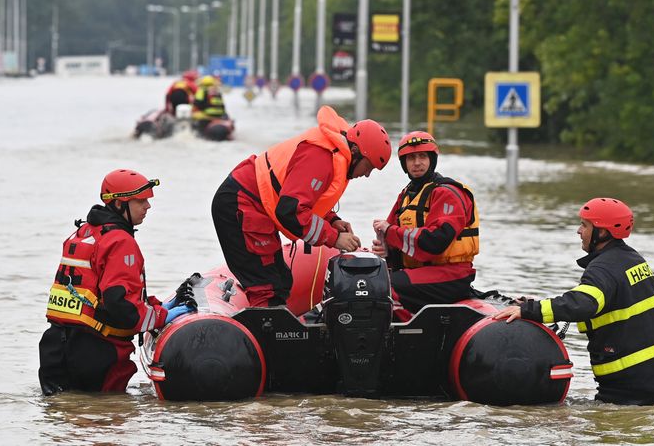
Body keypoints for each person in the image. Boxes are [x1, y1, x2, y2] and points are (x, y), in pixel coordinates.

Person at [492, 197, 654, 406]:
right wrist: (538, 303)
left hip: (631, 387)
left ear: (602, 232)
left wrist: (530, 310)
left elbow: (583, 303)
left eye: (584, 225)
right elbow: (596, 299)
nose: (578, 231)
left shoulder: (603, 268)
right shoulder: (632, 259)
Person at [211, 105, 392, 307]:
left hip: (254, 204)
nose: (366, 175)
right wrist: (335, 238)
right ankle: (263, 335)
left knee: (280, 281)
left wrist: (332, 221)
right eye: (368, 167)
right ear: (356, 151)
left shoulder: (333, 154)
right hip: (241, 203)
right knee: (267, 288)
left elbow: (304, 200)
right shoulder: (321, 157)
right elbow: (290, 211)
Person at [38, 169, 194, 395]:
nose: (148, 206)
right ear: (120, 204)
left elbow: (96, 292)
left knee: (66, 419)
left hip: (55, 348)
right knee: (107, 422)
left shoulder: (83, 233)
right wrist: (162, 317)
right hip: (97, 353)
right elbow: (121, 306)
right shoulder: (120, 242)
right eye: (140, 201)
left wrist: (156, 305)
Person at [371, 131, 480, 321]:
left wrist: (389, 231)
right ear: (404, 164)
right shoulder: (405, 195)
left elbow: (436, 242)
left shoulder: (448, 193)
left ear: (432, 159)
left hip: (452, 274)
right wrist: (386, 249)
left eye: (422, 156)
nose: (417, 163)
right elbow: (395, 237)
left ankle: (406, 336)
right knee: (367, 280)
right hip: (420, 272)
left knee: (384, 286)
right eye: (411, 158)